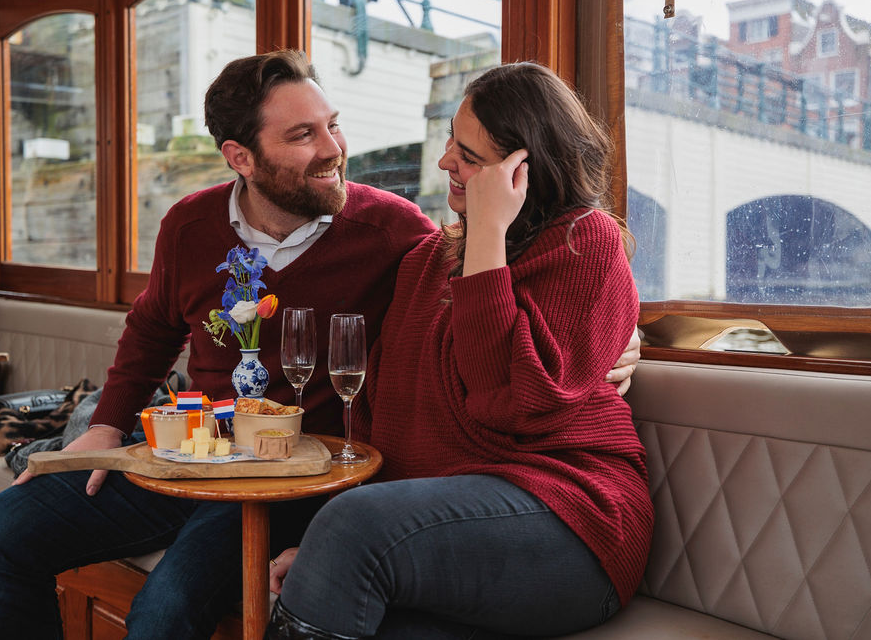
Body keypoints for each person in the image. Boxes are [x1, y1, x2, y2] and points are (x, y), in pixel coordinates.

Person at [0, 51, 640, 639]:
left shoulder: (397, 234)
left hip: (298, 473)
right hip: (196, 447)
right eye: (303, 134)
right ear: (241, 157)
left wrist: (618, 333)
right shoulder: (196, 224)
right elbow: (151, 327)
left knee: (163, 611)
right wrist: (106, 424)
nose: (334, 147)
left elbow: (531, 348)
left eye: (333, 123)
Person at [265, 62, 653, 639]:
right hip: (454, 531)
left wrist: (490, 239)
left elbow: (510, 402)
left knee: (349, 529)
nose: (446, 159)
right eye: (451, 137)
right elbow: (388, 421)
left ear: (524, 173)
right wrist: (328, 550)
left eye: (469, 157)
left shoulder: (586, 242)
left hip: (572, 518)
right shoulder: (426, 261)